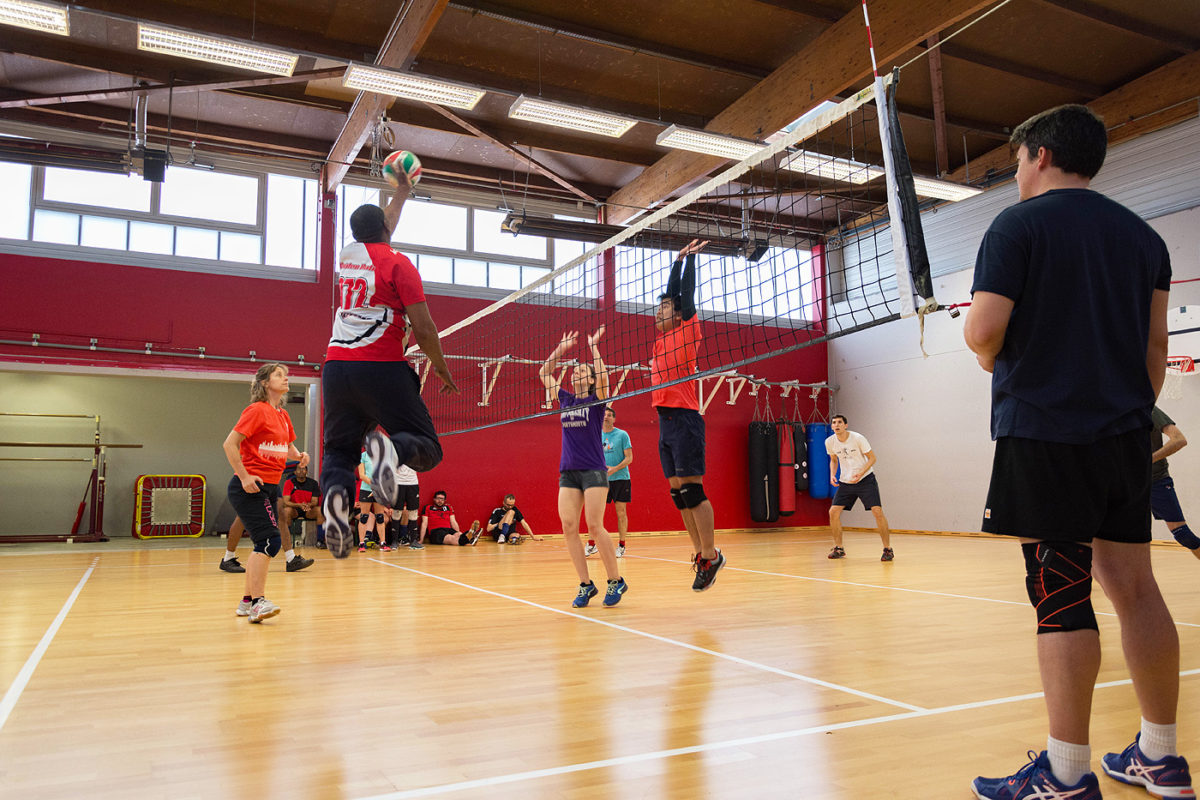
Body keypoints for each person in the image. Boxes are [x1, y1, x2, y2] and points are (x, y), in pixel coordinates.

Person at [963, 104, 1189, 799]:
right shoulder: (1143, 238)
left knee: (1059, 595)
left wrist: (989, 352)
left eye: (1017, 160)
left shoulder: (1016, 226)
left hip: (1045, 435)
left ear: (1035, 153)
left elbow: (982, 332)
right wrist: (1124, 410)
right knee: (1136, 588)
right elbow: (1156, 350)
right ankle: (1161, 755)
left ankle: (1064, 775)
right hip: (1125, 438)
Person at [320, 175, 458, 559]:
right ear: (384, 229)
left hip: (335, 368)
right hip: (380, 366)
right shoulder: (398, 265)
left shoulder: (349, 255)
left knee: (340, 453)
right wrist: (441, 368)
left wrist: (403, 191)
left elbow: (383, 225)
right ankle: (391, 450)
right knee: (428, 448)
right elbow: (424, 328)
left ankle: (336, 510)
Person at [652, 239, 724, 591]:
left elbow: (685, 296)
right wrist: (675, 260)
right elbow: (671, 293)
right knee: (678, 494)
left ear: (678, 315)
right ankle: (699, 553)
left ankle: (711, 554)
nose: (658, 312)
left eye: (664, 309)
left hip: (685, 418)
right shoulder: (659, 340)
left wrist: (691, 261)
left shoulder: (687, 330)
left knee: (693, 492)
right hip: (665, 421)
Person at [540, 326, 627, 607]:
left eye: (582, 371)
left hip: (593, 471)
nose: (576, 371)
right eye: (575, 369)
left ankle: (615, 580)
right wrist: (561, 350)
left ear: (589, 381)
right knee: (568, 526)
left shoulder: (596, 402)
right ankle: (586, 585)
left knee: (594, 525)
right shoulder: (565, 399)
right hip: (569, 471)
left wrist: (593, 348)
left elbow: (603, 377)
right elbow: (543, 372)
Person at [221, 363, 307, 624]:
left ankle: (247, 602)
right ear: (265, 382)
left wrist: (300, 456)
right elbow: (230, 444)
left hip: (271, 485)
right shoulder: (256, 410)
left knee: (264, 542)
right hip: (249, 485)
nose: (286, 378)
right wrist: (245, 476)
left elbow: (288, 448)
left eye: (286, 374)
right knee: (270, 541)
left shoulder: (282, 414)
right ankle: (259, 602)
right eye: (279, 374)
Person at [824, 414, 892, 561]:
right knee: (833, 512)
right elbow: (833, 460)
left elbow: (873, 458)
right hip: (846, 482)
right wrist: (832, 474)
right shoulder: (829, 442)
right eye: (834, 423)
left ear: (845, 425)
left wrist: (861, 472)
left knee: (877, 511)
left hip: (865, 480)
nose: (836, 425)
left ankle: (887, 549)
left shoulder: (858, 438)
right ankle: (839, 548)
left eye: (840, 422)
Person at [1151, 406, 1200, 561]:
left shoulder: (1149, 409)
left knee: (1183, 535)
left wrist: (1147, 460)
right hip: (1122, 483)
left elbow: (1179, 440)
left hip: (1155, 480)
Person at [587, 405, 632, 558]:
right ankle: (592, 545)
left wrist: (614, 469)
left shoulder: (622, 435)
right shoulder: (594, 435)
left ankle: (621, 545)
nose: (606, 417)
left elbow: (629, 458)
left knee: (621, 513)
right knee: (595, 513)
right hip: (600, 479)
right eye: (604, 415)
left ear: (614, 418)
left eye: (609, 415)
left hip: (620, 479)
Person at [280, 463, 325, 549]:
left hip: (308, 509)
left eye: (303, 469)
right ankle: (287, 542)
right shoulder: (289, 483)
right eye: (299, 469)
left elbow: (315, 501)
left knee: (320, 511)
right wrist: (299, 505)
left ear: (306, 471)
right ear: (295, 472)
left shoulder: (313, 483)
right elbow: (286, 502)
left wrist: (308, 505)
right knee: (286, 511)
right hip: (295, 509)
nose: (301, 471)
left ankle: (320, 541)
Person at [356, 449, 391, 553]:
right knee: (364, 517)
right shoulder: (363, 456)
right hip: (366, 490)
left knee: (380, 517)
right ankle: (361, 544)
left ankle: (383, 543)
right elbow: (362, 475)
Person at [388, 462, 422, 550]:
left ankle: (414, 541)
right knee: (396, 512)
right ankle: (394, 541)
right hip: (398, 483)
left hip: (413, 483)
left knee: (413, 512)